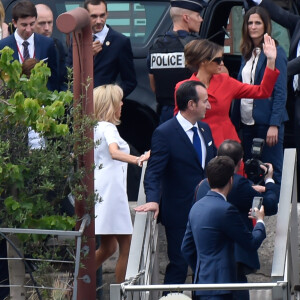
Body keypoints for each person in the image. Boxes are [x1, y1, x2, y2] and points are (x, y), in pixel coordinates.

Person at [135, 80, 217, 287]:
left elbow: (212, 166)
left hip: (207, 211)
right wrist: (154, 200)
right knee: (180, 264)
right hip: (179, 212)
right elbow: (154, 171)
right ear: (191, 104)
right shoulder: (165, 132)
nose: (209, 106)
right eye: (205, 102)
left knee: (205, 266)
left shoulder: (205, 129)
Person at [195, 139, 279, 300]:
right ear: (240, 163)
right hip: (232, 266)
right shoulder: (238, 185)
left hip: (203, 273)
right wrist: (269, 181)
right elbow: (270, 205)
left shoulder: (201, 186)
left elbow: (187, 246)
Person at [181, 156, 266, 300]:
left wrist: (202, 272)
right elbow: (251, 243)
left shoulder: (196, 207)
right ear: (231, 180)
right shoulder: (226, 210)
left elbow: (186, 249)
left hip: (201, 286)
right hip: (223, 288)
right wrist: (260, 222)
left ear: (208, 180)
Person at [174, 34, 279, 149]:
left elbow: (262, 91)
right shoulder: (183, 87)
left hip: (228, 146)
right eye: (218, 60)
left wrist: (270, 60)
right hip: (199, 145)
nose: (222, 63)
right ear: (203, 61)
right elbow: (178, 122)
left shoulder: (226, 81)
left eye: (222, 59)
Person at [93, 84, 148, 283]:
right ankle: (123, 292)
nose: (123, 104)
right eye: (119, 100)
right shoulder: (108, 128)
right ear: (110, 105)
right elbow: (114, 152)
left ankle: (71, 286)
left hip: (103, 189)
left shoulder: (94, 127)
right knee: (126, 246)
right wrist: (138, 159)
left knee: (108, 248)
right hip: (112, 192)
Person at [231, 6, 288, 184]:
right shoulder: (246, 53)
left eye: (257, 23)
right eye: (249, 23)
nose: (253, 27)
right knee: (251, 169)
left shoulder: (275, 53)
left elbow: (280, 92)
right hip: (247, 123)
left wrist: (274, 124)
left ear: (266, 26)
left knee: (271, 169)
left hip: (267, 122)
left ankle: (273, 208)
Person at [249, 0, 300, 195]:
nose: (253, 27)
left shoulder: (278, 59)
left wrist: (275, 70)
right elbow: (278, 14)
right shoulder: (297, 22)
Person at [148, 0, 205, 124]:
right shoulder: (197, 45)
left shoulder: (156, 45)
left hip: (166, 112)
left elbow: (154, 85)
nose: (201, 19)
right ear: (186, 18)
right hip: (191, 112)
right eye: (197, 15)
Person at [0, 0, 59, 91]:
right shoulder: (3, 46)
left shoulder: (47, 44)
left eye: (32, 24)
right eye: (24, 25)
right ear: (15, 23)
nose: (28, 29)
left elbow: (54, 79)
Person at [83, 0, 136, 97]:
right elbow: (69, 74)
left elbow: (130, 82)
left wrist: (111, 98)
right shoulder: (77, 40)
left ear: (107, 14)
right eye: (94, 16)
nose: (99, 21)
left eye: (102, 15)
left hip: (106, 107)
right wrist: (87, 56)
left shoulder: (120, 41)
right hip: (81, 105)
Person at [34, 4, 67, 91]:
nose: (47, 28)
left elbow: (63, 79)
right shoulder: (25, 47)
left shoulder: (57, 45)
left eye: (50, 22)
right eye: (41, 23)